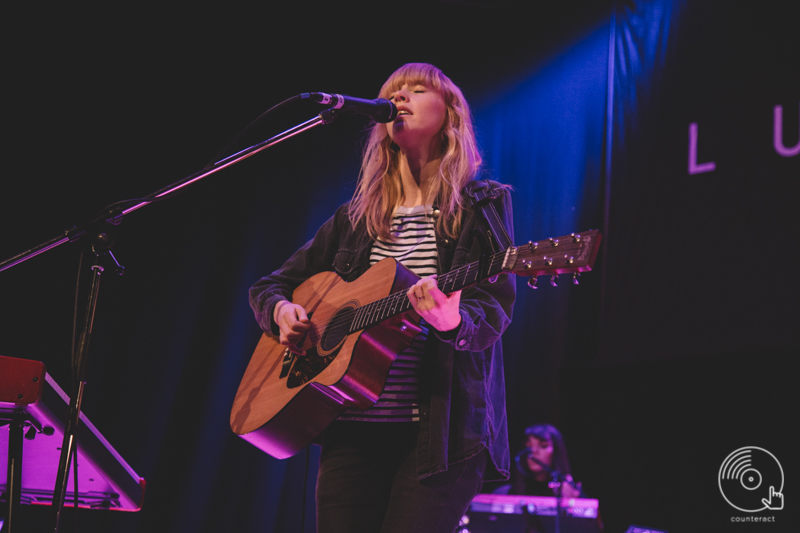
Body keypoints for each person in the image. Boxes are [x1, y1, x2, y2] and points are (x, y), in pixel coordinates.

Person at [248, 63, 515, 533]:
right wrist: (281, 311)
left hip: (439, 437)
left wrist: (454, 322)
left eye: (416, 89)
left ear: (450, 113)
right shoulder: (356, 217)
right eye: (393, 92)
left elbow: (493, 307)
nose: (402, 98)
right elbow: (269, 286)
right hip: (350, 429)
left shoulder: (481, 203)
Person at [511, 424, 584, 498]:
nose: (534, 451)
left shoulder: (570, 491)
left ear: (556, 451)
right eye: (529, 446)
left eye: (543, 446)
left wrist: (571, 502)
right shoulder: (507, 492)